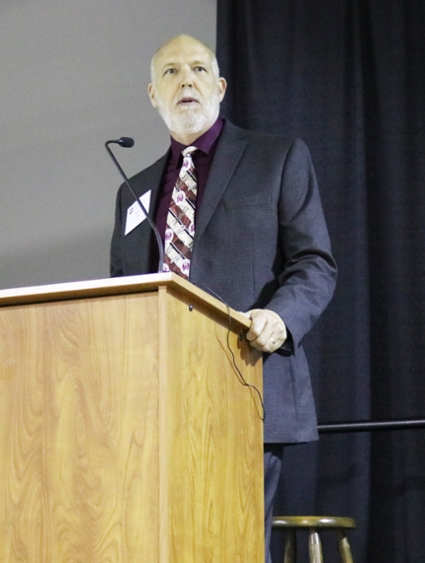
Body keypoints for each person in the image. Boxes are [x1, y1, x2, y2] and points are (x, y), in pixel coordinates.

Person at [110, 34, 337, 563]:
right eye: (170, 73)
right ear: (151, 94)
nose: (185, 80)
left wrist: (281, 318)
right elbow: (124, 289)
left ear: (220, 86)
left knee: (228, 543)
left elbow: (315, 264)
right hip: (153, 399)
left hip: (243, 382)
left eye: (197, 69)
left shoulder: (277, 158)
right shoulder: (133, 190)